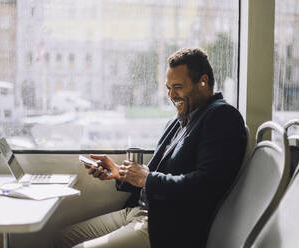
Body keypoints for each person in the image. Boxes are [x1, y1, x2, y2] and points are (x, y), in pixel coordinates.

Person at [56, 48, 247, 248]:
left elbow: (206, 185)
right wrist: (120, 174)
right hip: (142, 211)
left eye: (178, 87)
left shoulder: (222, 117)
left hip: (168, 227)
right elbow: (157, 174)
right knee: (61, 238)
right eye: (168, 88)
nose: (172, 95)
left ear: (203, 81)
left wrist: (147, 178)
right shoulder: (182, 120)